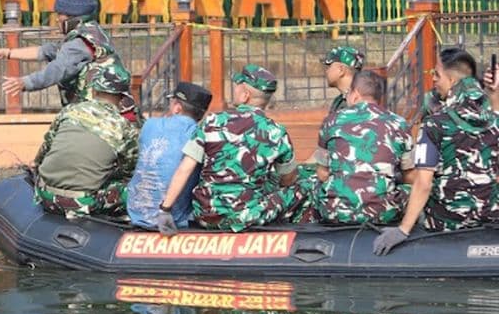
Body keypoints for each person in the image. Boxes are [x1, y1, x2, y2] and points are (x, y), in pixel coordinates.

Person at [374, 47, 499, 255]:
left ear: (451, 81)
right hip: (490, 217)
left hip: (447, 223)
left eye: (437, 75)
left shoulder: (434, 124)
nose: (433, 80)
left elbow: (423, 182)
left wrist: (403, 230)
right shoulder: (494, 121)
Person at [154, 64, 300, 234]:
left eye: (238, 86)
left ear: (245, 95)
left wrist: (165, 209)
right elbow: (288, 180)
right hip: (246, 216)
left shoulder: (212, 122)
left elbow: (185, 169)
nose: (234, 89)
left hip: (206, 215)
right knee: (301, 186)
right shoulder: (276, 132)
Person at [298, 70, 413, 225]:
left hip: (335, 211)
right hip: (383, 212)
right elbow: (410, 176)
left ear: (355, 93)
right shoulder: (399, 123)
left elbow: (322, 173)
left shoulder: (331, 121)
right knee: (419, 187)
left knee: (310, 180)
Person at [31, 61, 140, 220]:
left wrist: (35, 163)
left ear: (94, 90)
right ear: (122, 98)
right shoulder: (125, 128)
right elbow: (129, 170)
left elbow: (47, 145)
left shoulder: (70, 110)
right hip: (82, 203)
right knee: (133, 187)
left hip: (45, 196)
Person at [0, 0, 117, 104]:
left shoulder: (79, 43)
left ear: (73, 17)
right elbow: (47, 51)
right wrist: (6, 53)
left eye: (60, 15)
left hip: (100, 114)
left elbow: (58, 69)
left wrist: (25, 82)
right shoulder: (91, 33)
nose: (57, 19)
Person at [125, 82, 213, 229]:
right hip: (173, 218)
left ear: (177, 107)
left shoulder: (150, 125)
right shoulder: (199, 134)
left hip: (135, 212)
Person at [321, 45, 364, 120]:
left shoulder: (359, 100)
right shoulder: (340, 99)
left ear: (341, 70)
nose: (327, 71)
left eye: (329, 66)